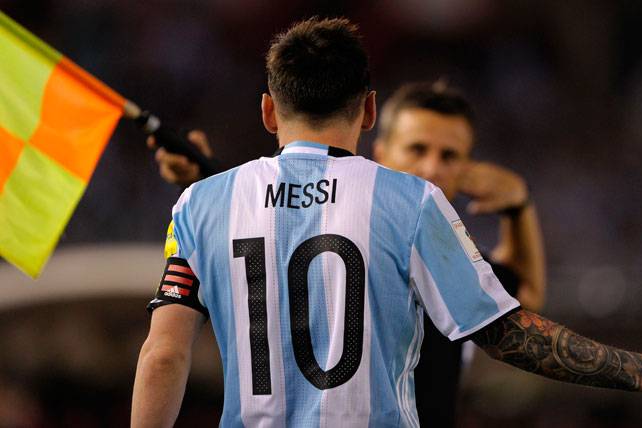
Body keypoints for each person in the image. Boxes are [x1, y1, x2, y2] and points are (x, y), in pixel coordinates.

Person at [131, 17, 642, 427]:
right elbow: (506, 332)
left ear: (269, 111)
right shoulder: (412, 202)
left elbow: (163, 357)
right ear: (371, 110)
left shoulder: (201, 206)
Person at [148, 81, 545, 427]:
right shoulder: (375, 231)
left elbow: (520, 300)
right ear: (379, 152)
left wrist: (519, 209)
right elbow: (284, 230)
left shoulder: (449, 258)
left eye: (449, 156)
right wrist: (207, 182)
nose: (432, 167)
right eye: (417, 148)